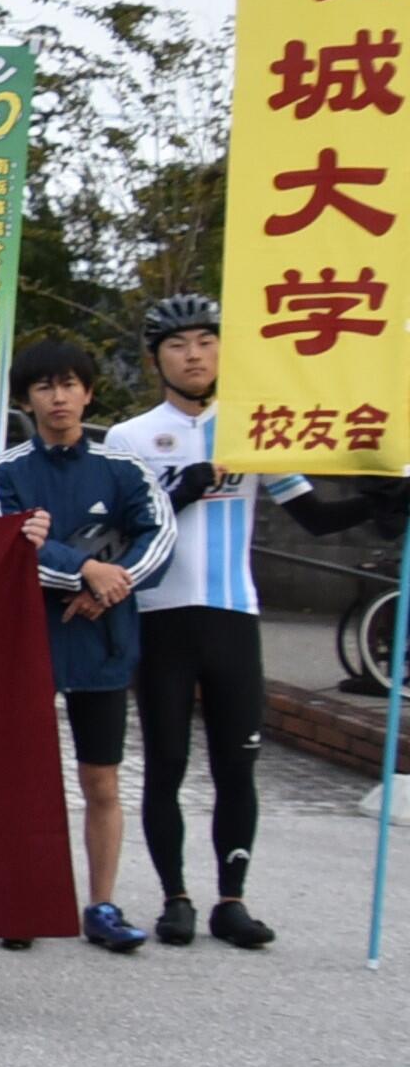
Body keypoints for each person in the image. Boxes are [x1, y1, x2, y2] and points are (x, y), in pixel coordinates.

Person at [107, 294, 402, 948]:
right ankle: (175, 897)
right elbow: (120, 529)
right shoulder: (129, 436)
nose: (194, 355)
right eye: (178, 344)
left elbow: (315, 519)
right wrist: (180, 488)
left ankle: (231, 900)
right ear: (156, 356)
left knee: (237, 765)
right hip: (161, 619)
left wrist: (384, 497)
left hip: (234, 616)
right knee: (166, 764)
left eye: (206, 343)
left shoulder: (256, 429)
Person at [0, 337, 178, 958]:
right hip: (27, 640)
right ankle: (21, 900)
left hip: (103, 642)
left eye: (70, 384)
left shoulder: (122, 469)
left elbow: (160, 535)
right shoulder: (5, 471)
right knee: (24, 779)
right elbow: (10, 547)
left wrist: (110, 586)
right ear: (26, 399)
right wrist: (85, 571)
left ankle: (102, 902)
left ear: (89, 392)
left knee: (101, 778)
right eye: (45, 386)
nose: (59, 396)